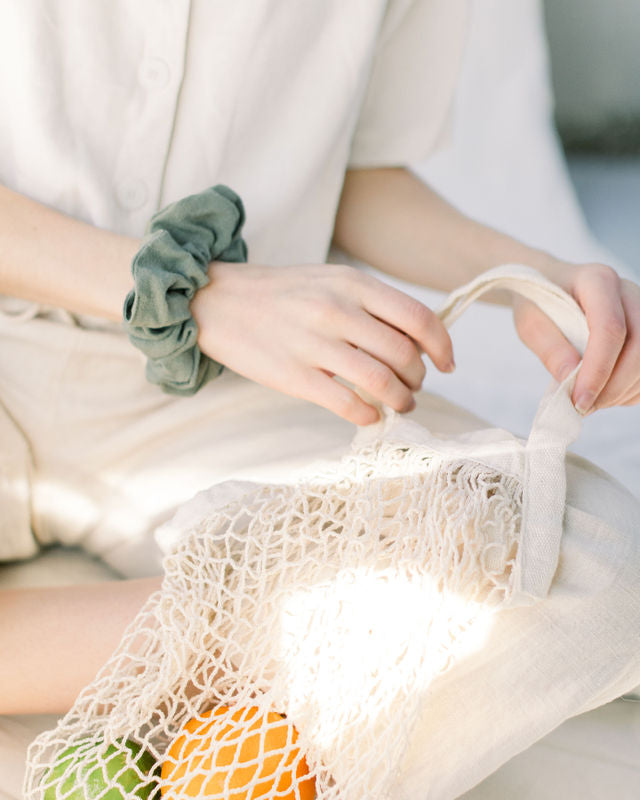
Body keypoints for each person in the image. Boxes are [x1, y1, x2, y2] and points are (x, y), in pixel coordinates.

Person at [0, 1, 638, 796]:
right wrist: (195, 295)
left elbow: (350, 176)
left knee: (595, 561)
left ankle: (220, 723)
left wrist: (533, 278)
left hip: (203, 391)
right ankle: (254, 652)